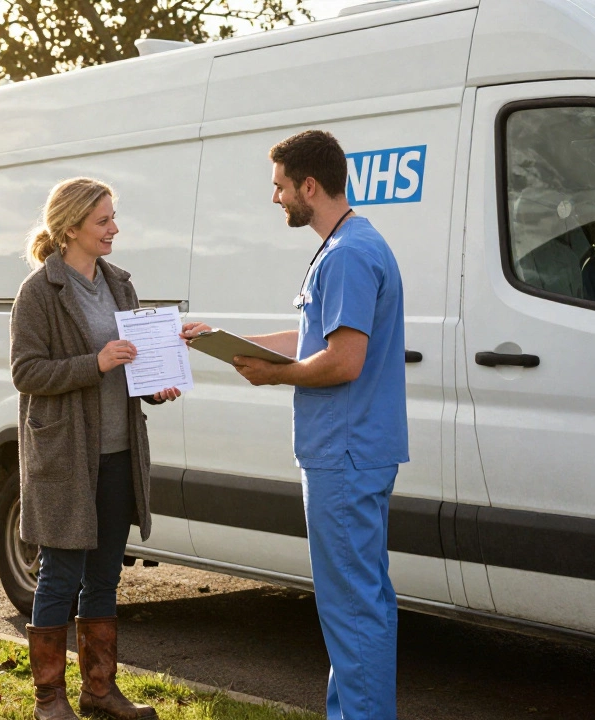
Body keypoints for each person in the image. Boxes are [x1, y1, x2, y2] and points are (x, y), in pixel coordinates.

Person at [182, 130, 408, 720]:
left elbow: (343, 360)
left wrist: (273, 377)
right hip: (355, 451)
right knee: (362, 602)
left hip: (344, 454)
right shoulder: (349, 244)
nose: (276, 198)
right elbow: (315, 340)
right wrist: (224, 341)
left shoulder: (348, 254)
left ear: (310, 185)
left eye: (280, 187)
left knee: (351, 607)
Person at [10, 177, 180, 720]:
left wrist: (155, 380)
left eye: (113, 218)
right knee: (61, 574)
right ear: (71, 228)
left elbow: (128, 360)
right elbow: (26, 372)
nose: (114, 229)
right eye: (103, 220)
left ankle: (100, 691)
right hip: (65, 457)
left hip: (118, 453)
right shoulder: (39, 291)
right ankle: (49, 699)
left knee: (106, 574)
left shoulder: (120, 284)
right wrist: (96, 364)